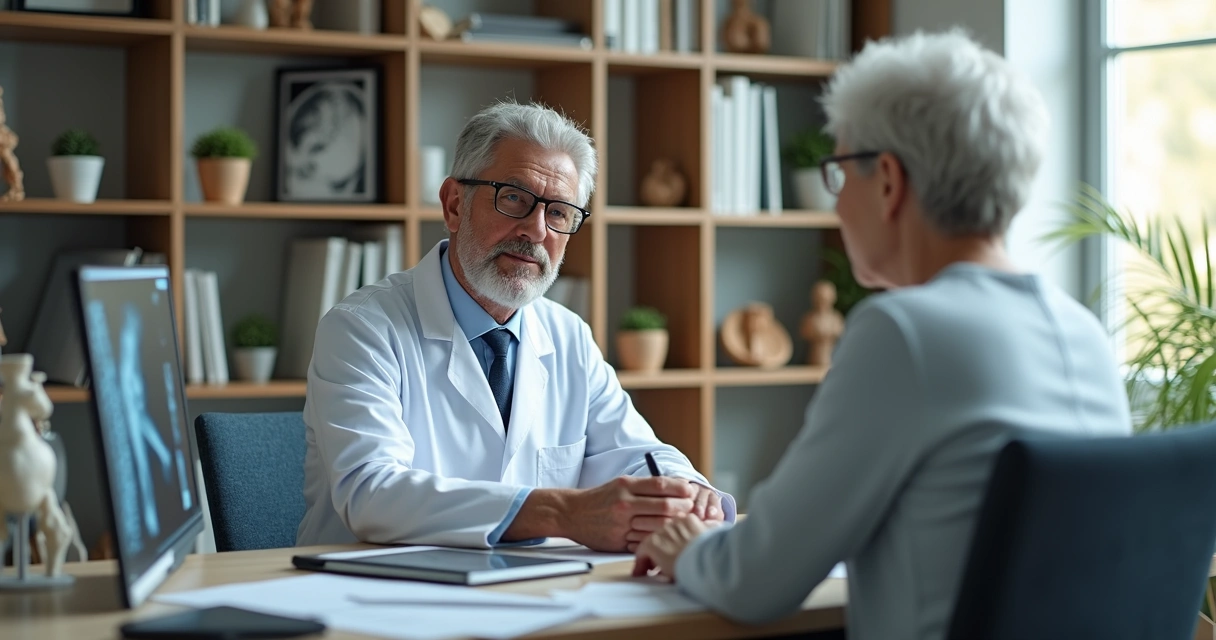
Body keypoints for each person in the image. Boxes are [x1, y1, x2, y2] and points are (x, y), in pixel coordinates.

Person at [632, 29, 1132, 640]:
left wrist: (691, 546)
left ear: (889, 181)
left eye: (840, 174)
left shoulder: (905, 332)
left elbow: (752, 581)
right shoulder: (1084, 334)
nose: (836, 208)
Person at [297, 101, 735, 551]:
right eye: (513, 198)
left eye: (559, 213)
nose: (536, 229)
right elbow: (372, 493)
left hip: (527, 593)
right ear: (454, 205)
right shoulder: (361, 330)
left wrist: (686, 494)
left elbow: (638, 454)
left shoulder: (569, 337)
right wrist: (565, 513)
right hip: (374, 597)